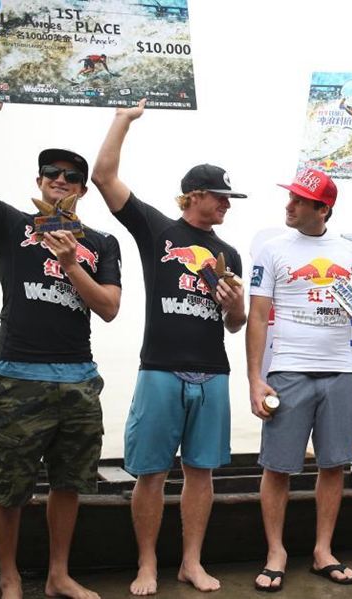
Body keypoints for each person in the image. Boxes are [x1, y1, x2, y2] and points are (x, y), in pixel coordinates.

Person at [92, 99, 248, 595]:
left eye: (228, 199)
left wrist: (234, 304)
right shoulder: (158, 230)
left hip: (213, 371)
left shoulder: (230, 253)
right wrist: (123, 120)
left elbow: (236, 325)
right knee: (152, 474)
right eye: (220, 197)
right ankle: (146, 565)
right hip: (160, 369)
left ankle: (191, 563)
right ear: (193, 196)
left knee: (201, 473)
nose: (227, 205)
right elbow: (103, 177)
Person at [0, 89, 122, 599]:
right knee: (8, 487)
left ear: (82, 190)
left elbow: (108, 307)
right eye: (51, 174)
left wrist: (71, 264)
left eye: (71, 177)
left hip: (78, 380)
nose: (60, 181)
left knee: (68, 484)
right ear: (38, 182)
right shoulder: (12, 225)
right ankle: (12, 578)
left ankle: (59, 576)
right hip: (18, 375)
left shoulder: (101, 242)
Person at [246, 168, 352, 590]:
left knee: (334, 463)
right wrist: (255, 379)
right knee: (277, 466)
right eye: (292, 198)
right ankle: (276, 552)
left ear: (323, 209)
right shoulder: (272, 249)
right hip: (288, 370)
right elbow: (257, 317)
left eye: (300, 200)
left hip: (340, 370)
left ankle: (323, 550)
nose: (290, 205)